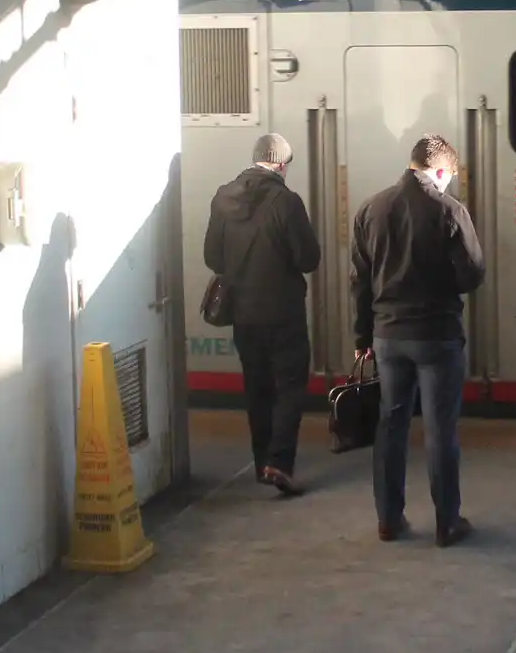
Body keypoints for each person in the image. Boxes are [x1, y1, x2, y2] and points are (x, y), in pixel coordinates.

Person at [351, 134, 486, 546]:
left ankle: (388, 520)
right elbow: (472, 274)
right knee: (440, 430)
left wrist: (362, 335)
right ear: (441, 171)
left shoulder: (371, 208)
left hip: (388, 336)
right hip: (436, 336)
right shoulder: (449, 210)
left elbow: (359, 280)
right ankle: (447, 523)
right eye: (450, 177)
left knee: (391, 425)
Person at [204, 132, 320, 497]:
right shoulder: (287, 202)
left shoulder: (223, 197)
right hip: (283, 311)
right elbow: (308, 259)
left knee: (257, 387)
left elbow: (213, 257)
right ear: (282, 165)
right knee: (289, 385)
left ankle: (261, 463)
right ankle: (279, 463)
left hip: (242, 312)